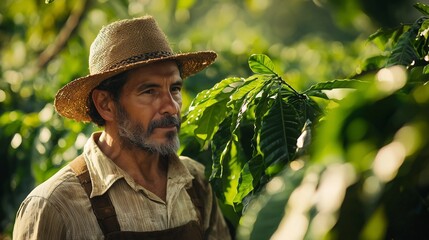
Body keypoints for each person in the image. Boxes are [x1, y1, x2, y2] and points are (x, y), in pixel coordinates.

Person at [13, 15, 231, 240]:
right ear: (106, 105)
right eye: (150, 91)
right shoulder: (56, 206)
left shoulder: (195, 183)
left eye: (175, 89)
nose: (171, 107)